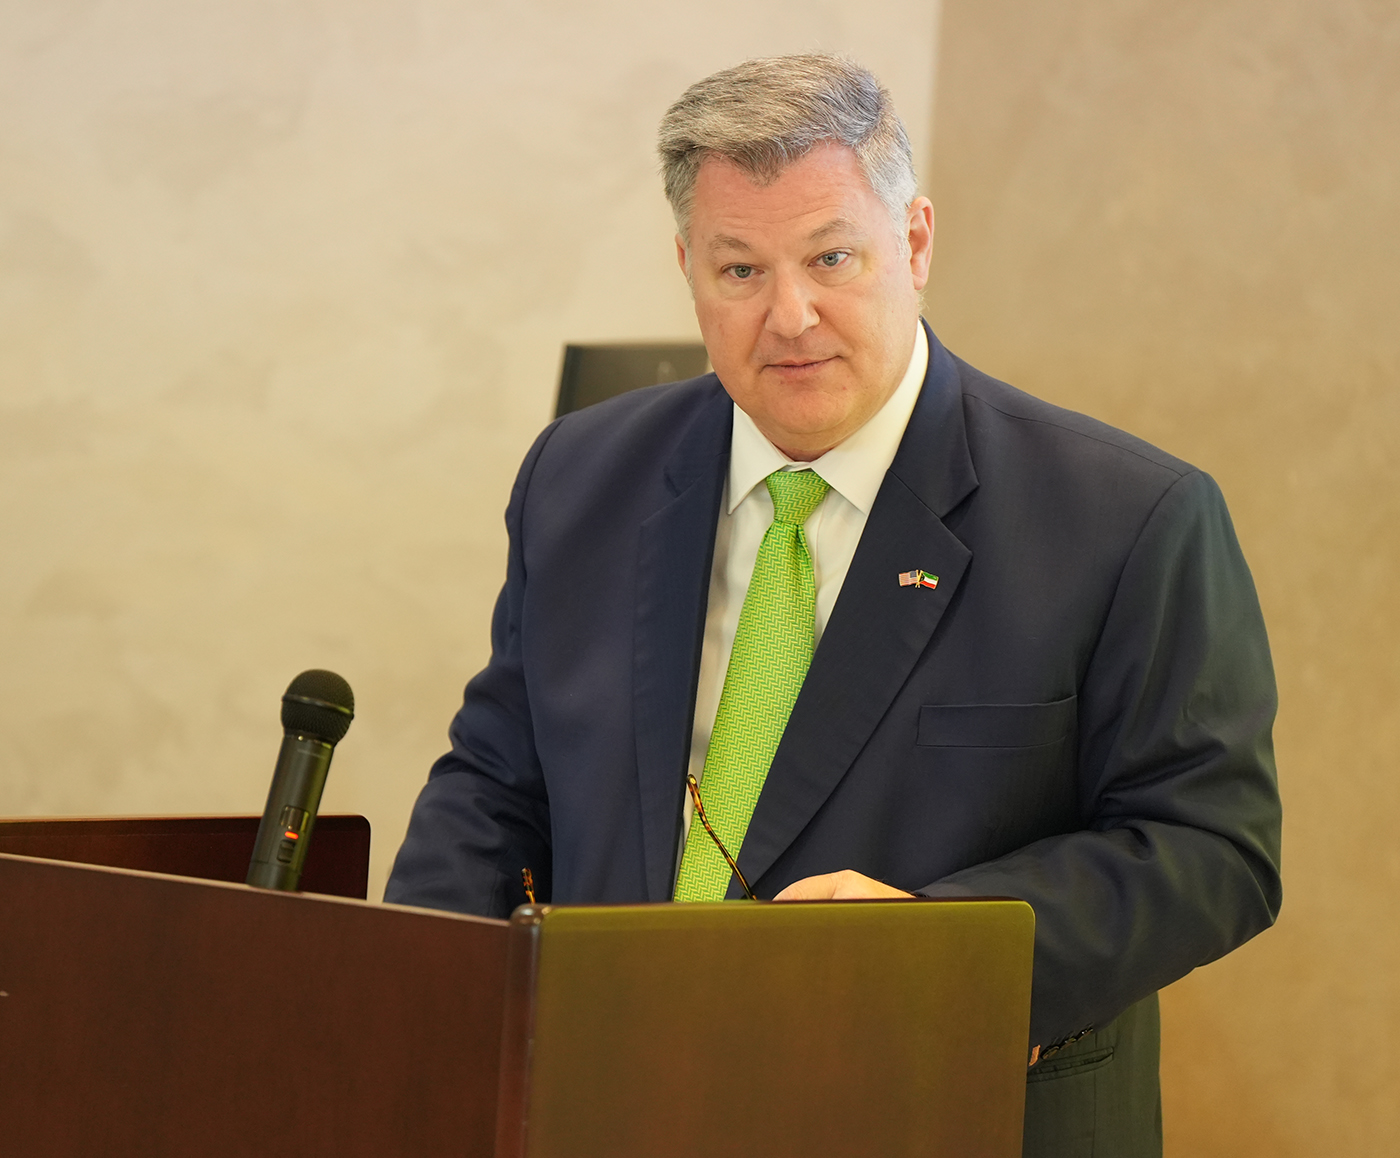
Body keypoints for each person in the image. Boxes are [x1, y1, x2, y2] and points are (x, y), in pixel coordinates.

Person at [386, 54, 1282, 1155]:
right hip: (609, 1102)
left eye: (831, 257)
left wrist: (937, 948)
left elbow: (1210, 846)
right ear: (686, 269)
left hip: (935, 1111)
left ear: (914, 243)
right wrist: (417, 1006)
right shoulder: (578, 478)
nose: (789, 315)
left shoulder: (1125, 517)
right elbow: (494, 781)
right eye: (739, 270)